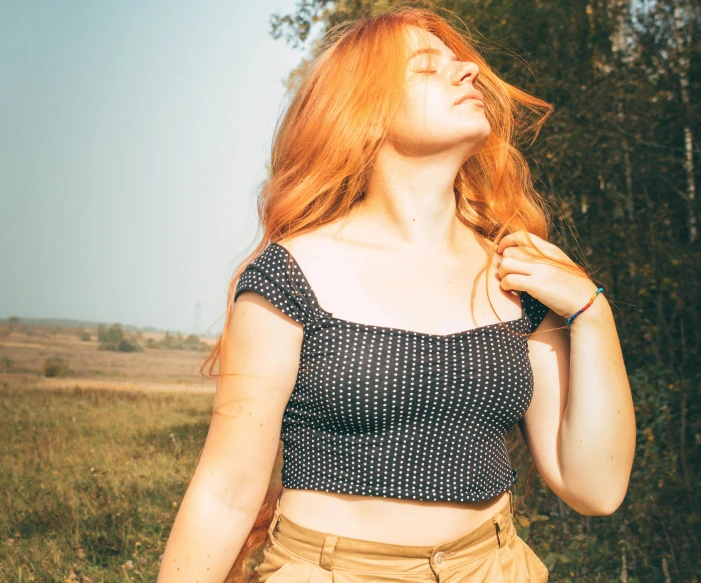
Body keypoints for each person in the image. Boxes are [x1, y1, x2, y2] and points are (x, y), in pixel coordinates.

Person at [157, 6, 636, 583]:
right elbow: (227, 492)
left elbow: (596, 487)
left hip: (493, 567)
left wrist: (591, 310)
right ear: (364, 110)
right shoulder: (290, 275)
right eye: (427, 67)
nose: (466, 72)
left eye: (463, 63)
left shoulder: (520, 275)